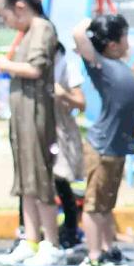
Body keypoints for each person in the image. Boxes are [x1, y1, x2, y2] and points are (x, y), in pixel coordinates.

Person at [0, 0, 65, 266]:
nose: (5, 21)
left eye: (4, 15)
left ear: (20, 7)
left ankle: (53, 242)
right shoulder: (28, 31)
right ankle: (31, 239)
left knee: (40, 177)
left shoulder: (42, 29)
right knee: (25, 179)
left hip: (36, 116)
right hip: (21, 118)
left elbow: (36, 68)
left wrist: (6, 66)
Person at [71, 13, 134, 266]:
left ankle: (107, 248)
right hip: (101, 148)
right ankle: (94, 258)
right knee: (93, 205)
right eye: (124, 36)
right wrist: (92, 20)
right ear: (112, 44)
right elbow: (79, 34)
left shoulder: (117, 63)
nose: (127, 42)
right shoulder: (98, 64)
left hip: (115, 148)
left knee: (105, 205)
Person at [51, 43, 87, 254]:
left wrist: (62, 93)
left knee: (61, 180)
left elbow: (81, 103)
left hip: (61, 130)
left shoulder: (65, 65)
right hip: (39, 128)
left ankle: (70, 230)